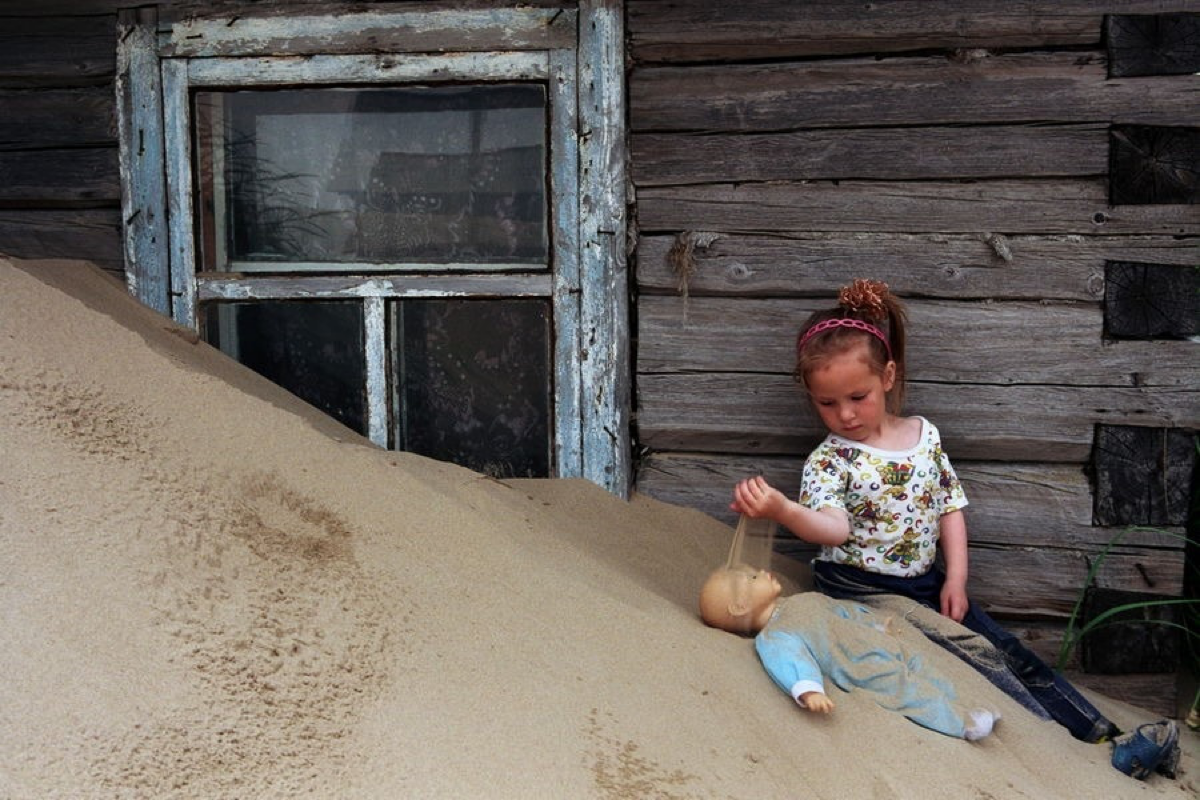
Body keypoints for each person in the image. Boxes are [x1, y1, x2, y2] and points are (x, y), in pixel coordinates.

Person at [729, 278, 1180, 781]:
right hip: (861, 589)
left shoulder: (924, 436)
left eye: (858, 396)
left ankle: (1099, 734)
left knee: (1005, 647)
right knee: (973, 655)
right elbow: (831, 530)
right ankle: (1055, 749)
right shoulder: (830, 462)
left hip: (926, 580)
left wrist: (957, 578)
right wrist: (783, 509)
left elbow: (950, 508)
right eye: (827, 403)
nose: (846, 414)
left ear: (888, 376)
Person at [698, 565, 1001, 741]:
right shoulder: (774, 637)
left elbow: (842, 611)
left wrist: (874, 623)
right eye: (751, 578)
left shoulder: (803, 600)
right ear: (739, 607)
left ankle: (966, 704)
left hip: (876, 642)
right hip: (860, 666)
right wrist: (808, 690)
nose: (761, 571)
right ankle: (962, 724)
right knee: (906, 690)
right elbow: (791, 662)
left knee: (924, 671)